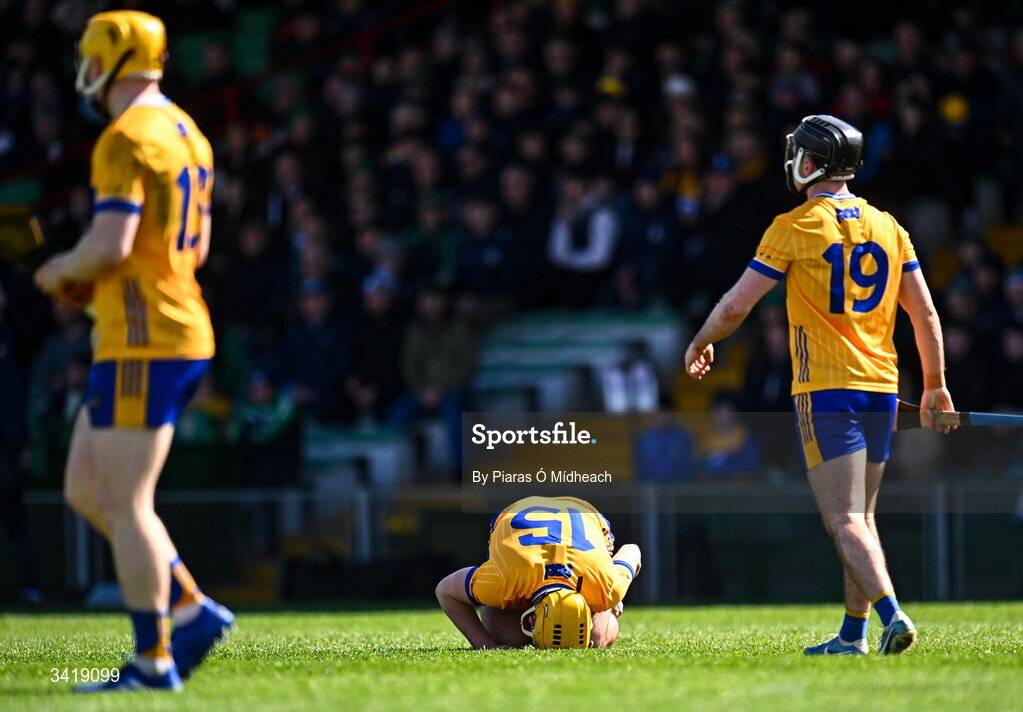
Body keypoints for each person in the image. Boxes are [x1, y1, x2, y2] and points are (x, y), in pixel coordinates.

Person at [683, 115, 955, 655]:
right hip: (882, 387)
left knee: (844, 519)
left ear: (811, 163)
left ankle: (892, 616)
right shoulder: (889, 225)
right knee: (862, 519)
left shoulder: (795, 225)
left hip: (827, 391)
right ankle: (852, 636)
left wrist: (700, 340)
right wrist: (936, 386)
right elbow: (924, 314)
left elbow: (738, 304)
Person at [32, 11, 233, 691]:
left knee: (127, 503)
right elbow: (195, 248)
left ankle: (154, 661)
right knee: (86, 489)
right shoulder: (186, 130)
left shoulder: (123, 138)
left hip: (145, 340)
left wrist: (59, 270)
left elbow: (110, 245)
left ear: (111, 61)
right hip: (161, 329)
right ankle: (192, 610)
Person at [435, 496, 641, 649]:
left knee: (596, 639)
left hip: (581, 521)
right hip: (522, 516)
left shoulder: (605, 586)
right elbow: (444, 591)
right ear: (531, 618)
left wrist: (613, 591)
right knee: (509, 639)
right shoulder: (506, 580)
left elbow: (633, 550)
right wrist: (486, 645)